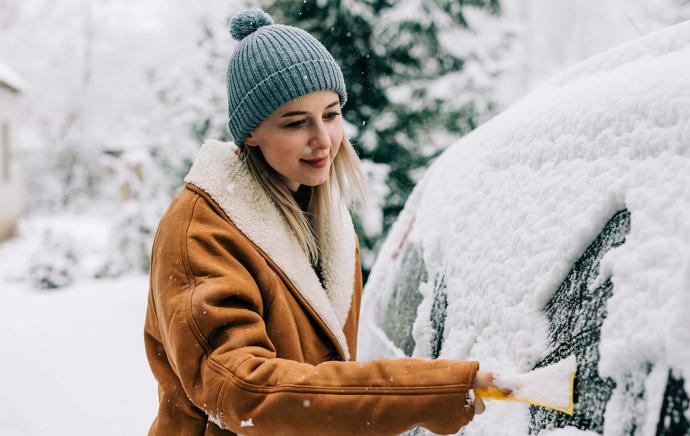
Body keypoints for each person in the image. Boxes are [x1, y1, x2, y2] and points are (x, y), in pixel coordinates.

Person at [143, 9, 505, 435]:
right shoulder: (200, 232)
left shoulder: (326, 221)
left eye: (331, 115)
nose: (323, 140)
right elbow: (243, 390)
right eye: (297, 122)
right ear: (251, 133)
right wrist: (422, 390)